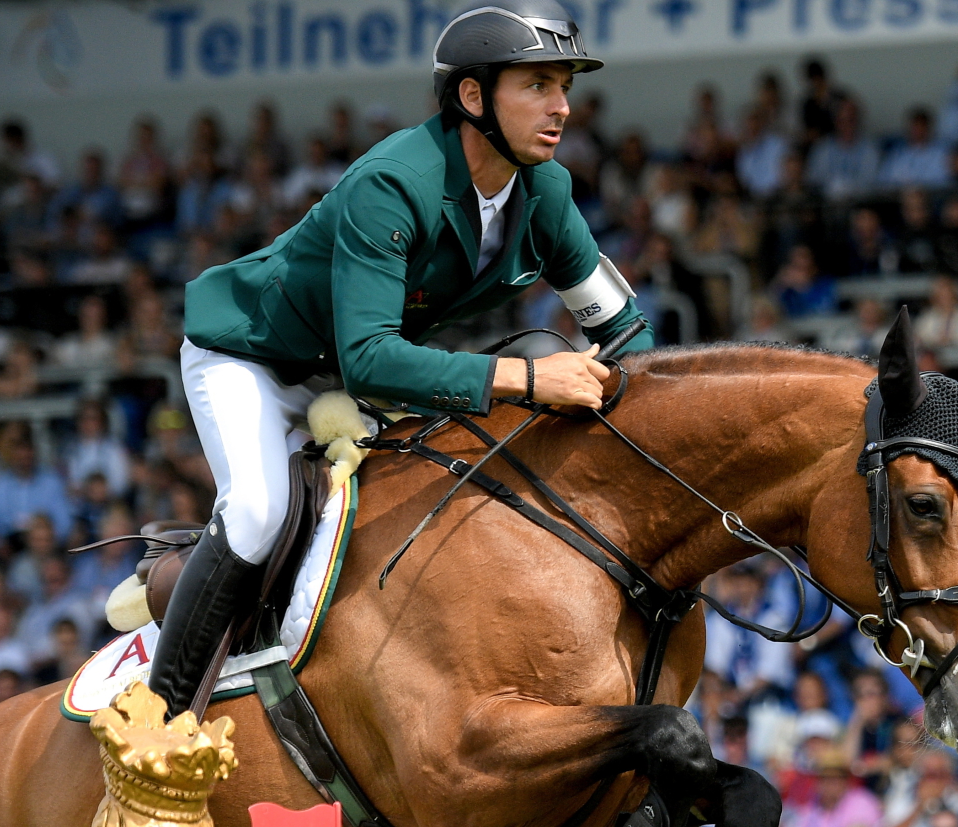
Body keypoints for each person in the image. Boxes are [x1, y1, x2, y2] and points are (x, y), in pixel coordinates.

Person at [152, 0, 653, 717]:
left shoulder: (547, 192)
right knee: (260, 513)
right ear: (473, 97)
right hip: (253, 359)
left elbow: (626, 331)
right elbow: (369, 359)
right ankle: (158, 728)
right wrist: (531, 378)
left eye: (564, 86)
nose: (563, 106)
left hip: (362, 376)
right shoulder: (394, 181)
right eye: (538, 85)